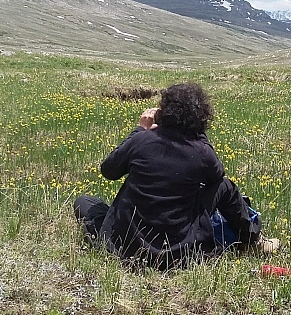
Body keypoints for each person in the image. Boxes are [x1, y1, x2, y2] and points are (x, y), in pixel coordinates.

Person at [74, 82, 277, 268]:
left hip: (127, 245)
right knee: (226, 186)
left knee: (84, 202)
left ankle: (116, 239)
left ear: (164, 111)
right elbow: (216, 177)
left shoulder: (142, 140)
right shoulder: (202, 152)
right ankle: (252, 240)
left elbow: (108, 171)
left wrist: (140, 130)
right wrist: (197, 132)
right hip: (178, 249)